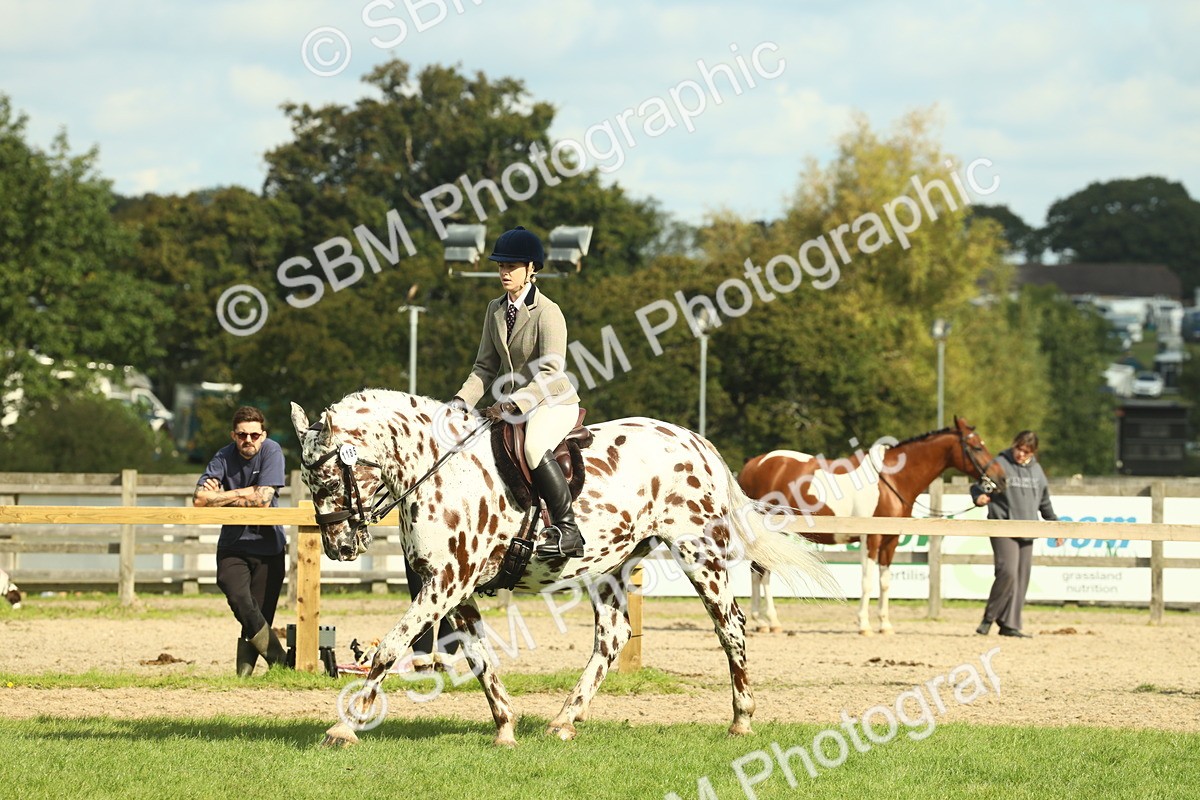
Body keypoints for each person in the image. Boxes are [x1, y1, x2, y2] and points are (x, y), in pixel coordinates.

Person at [449, 226, 585, 559]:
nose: (504, 272)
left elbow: (551, 372)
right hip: (511, 404)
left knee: (535, 445)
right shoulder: (494, 310)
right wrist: (459, 402)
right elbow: (484, 368)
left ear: (531, 269)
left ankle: (568, 531)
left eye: (511, 266)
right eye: (500, 266)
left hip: (552, 400)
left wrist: (514, 402)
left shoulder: (548, 312)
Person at [194, 406, 290, 675]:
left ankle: (243, 677)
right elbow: (200, 499)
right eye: (242, 435)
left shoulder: (272, 450)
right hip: (234, 544)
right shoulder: (223, 456)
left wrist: (222, 496)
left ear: (263, 434)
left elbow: (263, 500)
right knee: (236, 595)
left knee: (259, 612)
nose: (248, 440)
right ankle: (280, 660)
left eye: (254, 435)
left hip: (269, 545)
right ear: (233, 435)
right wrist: (246, 493)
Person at [972, 430, 1058, 638]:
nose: (1021, 454)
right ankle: (989, 618)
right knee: (1007, 571)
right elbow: (978, 486)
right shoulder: (1000, 463)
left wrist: (1055, 525)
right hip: (1003, 525)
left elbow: (1044, 501)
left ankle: (1010, 624)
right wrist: (979, 497)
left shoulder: (1037, 471)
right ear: (1014, 445)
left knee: (1021, 577)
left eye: (1026, 451)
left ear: (1033, 452)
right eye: (1019, 448)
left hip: (1028, 528)